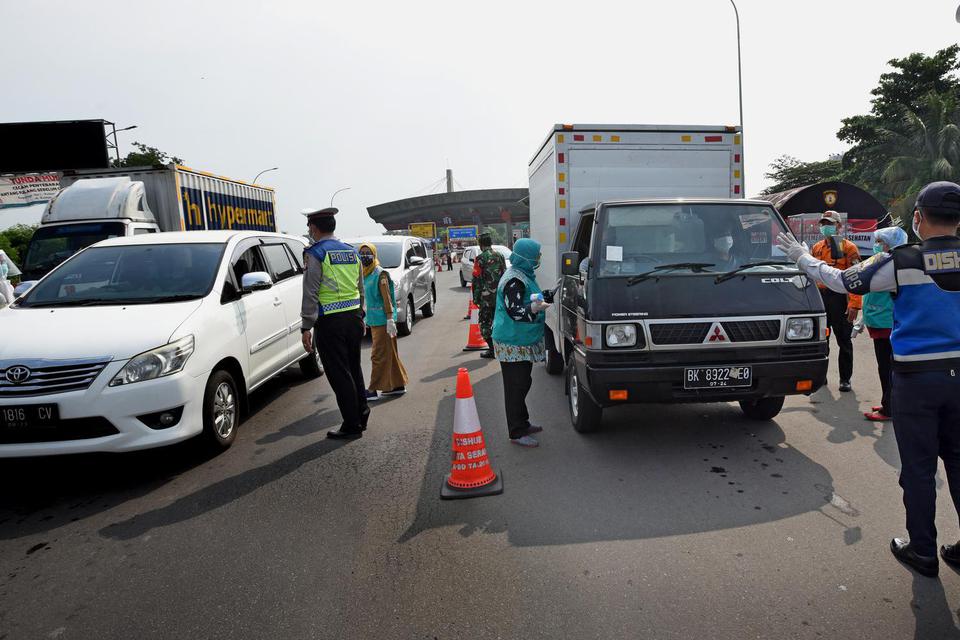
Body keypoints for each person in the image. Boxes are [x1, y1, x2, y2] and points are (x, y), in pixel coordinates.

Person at [776, 181, 960, 578]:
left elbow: (843, 282)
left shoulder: (903, 260)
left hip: (918, 379)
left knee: (919, 466)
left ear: (918, 218)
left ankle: (924, 551)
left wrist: (803, 257)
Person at [300, 207, 369, 440]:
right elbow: (361, 287)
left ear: (314, 227)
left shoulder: (316, 253)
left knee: (339, 373)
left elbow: (310, 292)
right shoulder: (351, 252)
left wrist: (306, 326)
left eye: (309, 226)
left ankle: (351, 424)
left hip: (330, 322)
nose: (309, 230)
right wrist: (361, 313)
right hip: (354, 318)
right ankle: (362, 412)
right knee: (354, 368)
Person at [491, 238, 551, 447]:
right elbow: (515, 310)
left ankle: (523, 422)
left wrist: (545, 296)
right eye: (536, 255)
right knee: (516, 385)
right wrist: (534, 308)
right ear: (526, 256)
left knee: (523, 382)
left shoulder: (522, 275)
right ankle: (516, 432)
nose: (539, 258)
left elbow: (527, 296)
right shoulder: (513, 279)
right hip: (511, 341)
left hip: (519, 340)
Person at [859, 225, 908, 422]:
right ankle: (888, 402)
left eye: (881, 242)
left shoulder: (890, 266)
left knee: (886, 367)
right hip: (879, 321)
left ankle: (888, 408)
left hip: (886, 322)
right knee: (885, 365)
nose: (876, 245)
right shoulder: (884, 263)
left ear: (890, 245)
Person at [810, 210, 862, 392]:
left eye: (830, 223)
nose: (826, 227)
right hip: (821, 299)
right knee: (821, 340)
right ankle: (820, 376)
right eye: (823, 223)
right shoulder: (816, 248)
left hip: (841, 299)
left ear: (839, 226)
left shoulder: (849, 248)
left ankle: (845, 379)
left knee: (844, 341)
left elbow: (856, 279)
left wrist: (854, 304)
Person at [357, 242, 408, 401]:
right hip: (374, 320)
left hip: (383, 322)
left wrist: (389, 319)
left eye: (368, 253)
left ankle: (372, 389)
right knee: (390, 354)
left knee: (377, 355)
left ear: (374, 255)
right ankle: (398, 385)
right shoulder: (365, 273)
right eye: (362, 253)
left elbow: (387, 299)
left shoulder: (380, 274)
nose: (365, 256)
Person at [472, 233, 507, 359]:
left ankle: (492, 350)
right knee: (499, 323)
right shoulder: (500, 256)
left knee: (485, 324)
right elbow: (505, 275)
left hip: (486, 299)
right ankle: (501, 348)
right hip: (499, 297)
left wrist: (475, 298)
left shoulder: (480, 258)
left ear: (481, 244)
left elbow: (476, 280)